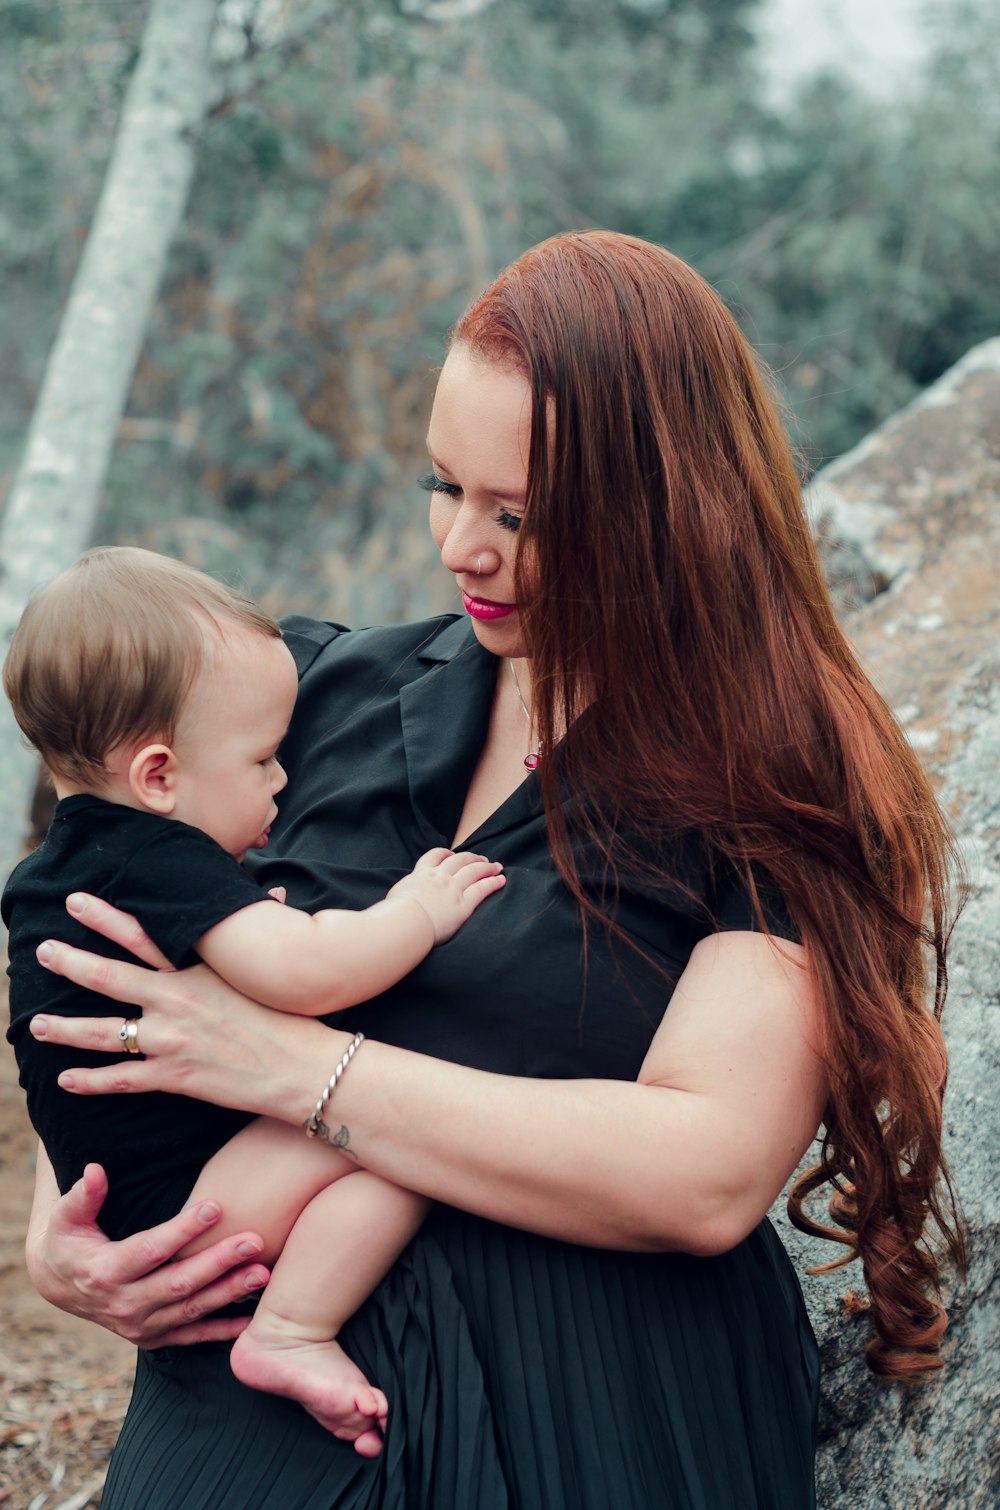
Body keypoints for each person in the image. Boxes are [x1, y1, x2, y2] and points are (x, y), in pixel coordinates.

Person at [19, 231, 964, 1510]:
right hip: (243, 1428)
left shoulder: (780, 786)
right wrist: (61, 1218)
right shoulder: (312, 697)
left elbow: (704, 1173)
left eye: (516, 513)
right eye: (441, 483)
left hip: (589, 1407)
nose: (459, 546)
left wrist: (297, 1068)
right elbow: (108, 906)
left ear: (663, 510)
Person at [3, 546, 505, 1455]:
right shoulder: (158, 859)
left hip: (131, 1204)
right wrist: (417, 913)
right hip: (189, 1212)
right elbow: (310, 972)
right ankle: (293, 1330)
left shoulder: (59, 873)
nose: (283, 780)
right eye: (266, 759)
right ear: (158, 777)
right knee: (407, 1145)